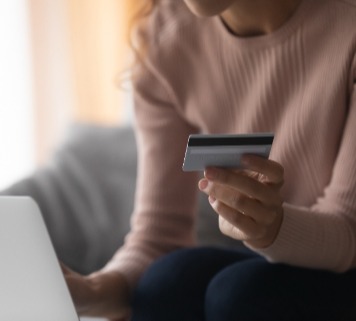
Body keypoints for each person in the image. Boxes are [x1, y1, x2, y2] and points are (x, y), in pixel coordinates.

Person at [62, 0, 356, 320]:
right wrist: (94, 292)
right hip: (287, 265)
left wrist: (271, 229)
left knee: (241, 294)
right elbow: (160, 235)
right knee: (166, 284)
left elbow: (348, 228)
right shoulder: (166, 38)